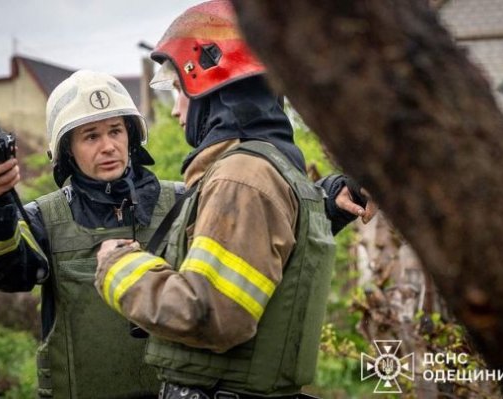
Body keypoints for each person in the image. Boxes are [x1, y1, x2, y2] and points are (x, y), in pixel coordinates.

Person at [94, 1, 375, 398]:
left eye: (179, 90)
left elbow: (212, 316)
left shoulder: (242, 177)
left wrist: (118, 268)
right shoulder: (262, 167)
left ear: (212, 86)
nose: (176, 111)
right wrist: (324, 203)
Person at [0, 70, 181, 398]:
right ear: (67, 150)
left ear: (131, 137)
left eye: (115, 131)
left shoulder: (180, 202)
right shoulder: (44, 219)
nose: (108, 146)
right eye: (91, 136)